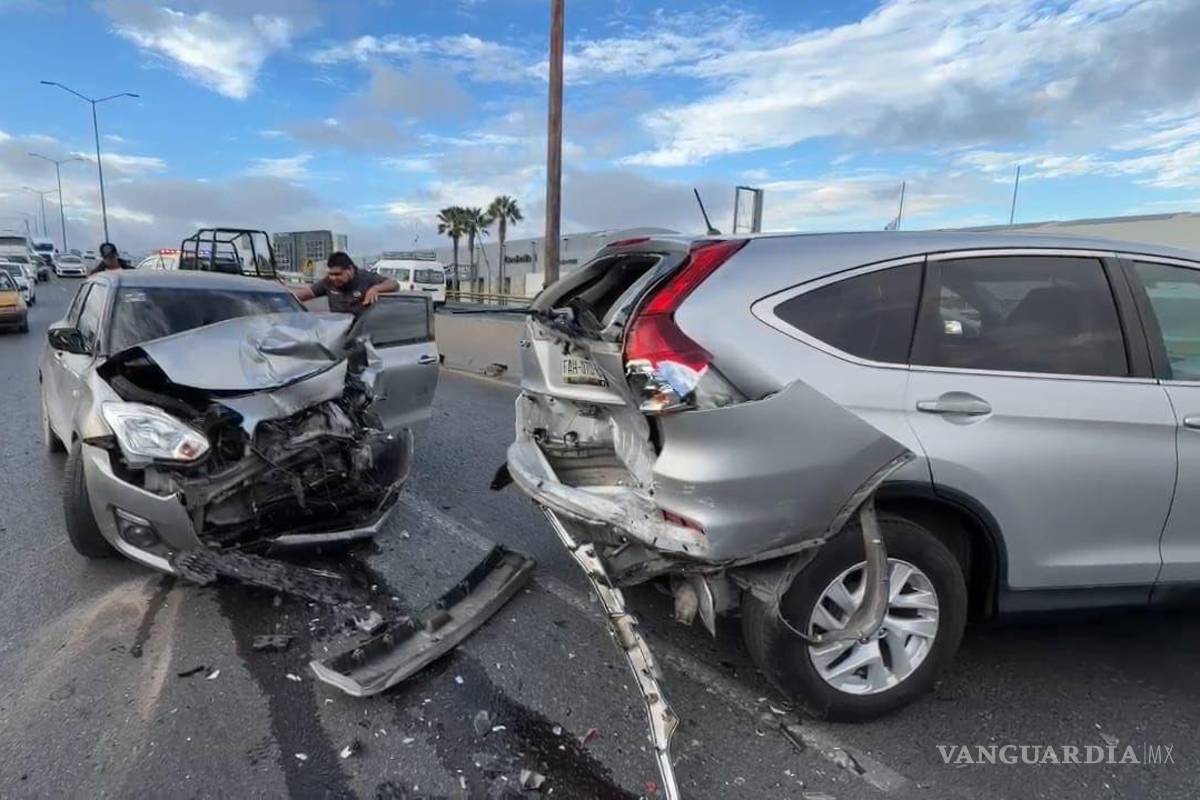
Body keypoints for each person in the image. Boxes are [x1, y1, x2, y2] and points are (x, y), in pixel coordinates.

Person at [291, 251, 398, 315]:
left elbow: (393, 284)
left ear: (350, 270)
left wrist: (375, 289)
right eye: (331, 274)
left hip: (361, 331)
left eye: (338, 274)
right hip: (338, 330)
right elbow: (305, 293)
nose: (333, 278)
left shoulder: (365, 278)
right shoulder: (328, 282)